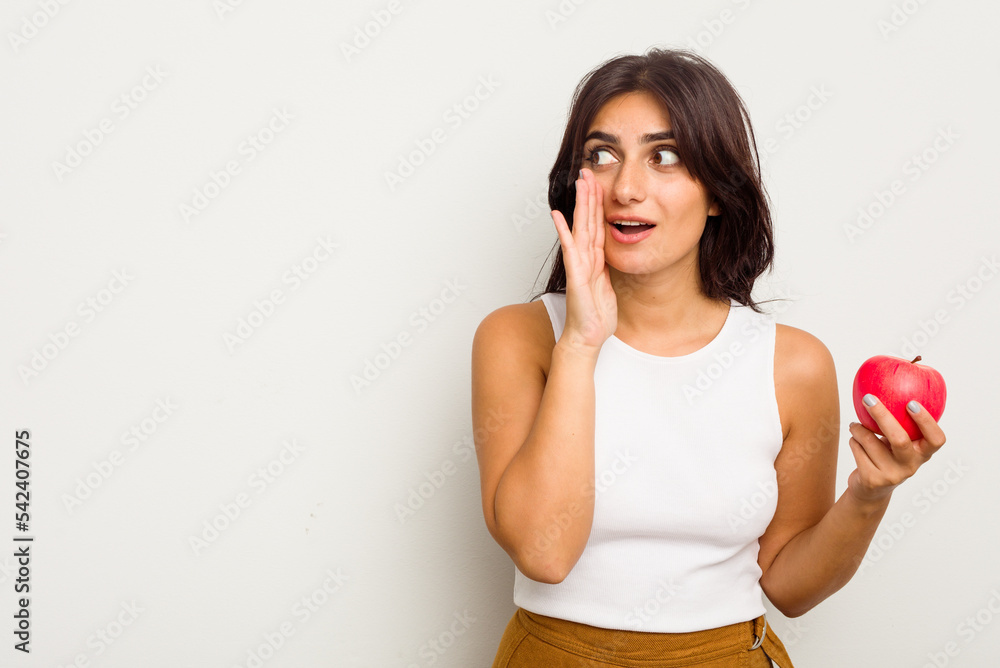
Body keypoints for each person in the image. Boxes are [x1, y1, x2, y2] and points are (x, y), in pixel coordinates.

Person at [471, 47, 947, 667]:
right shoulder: (518, 338)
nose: (626, 188)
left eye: (665, 156)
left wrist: (868, 495)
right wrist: (581, 343)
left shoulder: (793, 365)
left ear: (718, 192)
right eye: (602, 155)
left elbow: (790, 587)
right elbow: (544, 553)